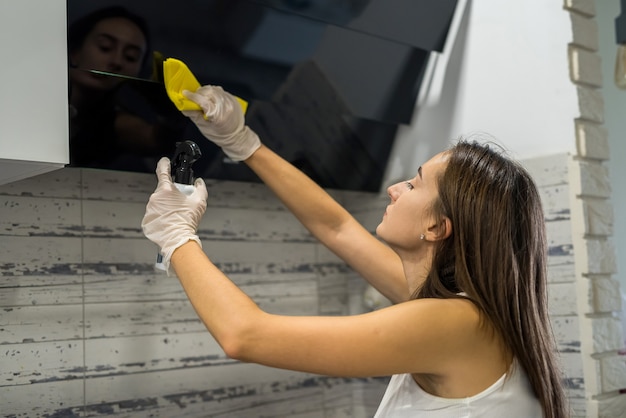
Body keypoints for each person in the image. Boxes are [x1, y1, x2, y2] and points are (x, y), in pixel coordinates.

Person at [141, 85, 570, 417]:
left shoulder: (452, 322)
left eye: (414, 183)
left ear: (437, 227)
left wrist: (177, 235)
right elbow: (337, 227)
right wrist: (243, 142)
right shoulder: (461, 312)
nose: (394, 188)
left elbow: (245, 335)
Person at [68, 6, 183, 171]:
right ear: (74, 52)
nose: (116, 61)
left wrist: (171, 114)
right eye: (105, 47)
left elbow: (157, 141)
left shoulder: (114, 123)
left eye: (131, 57)